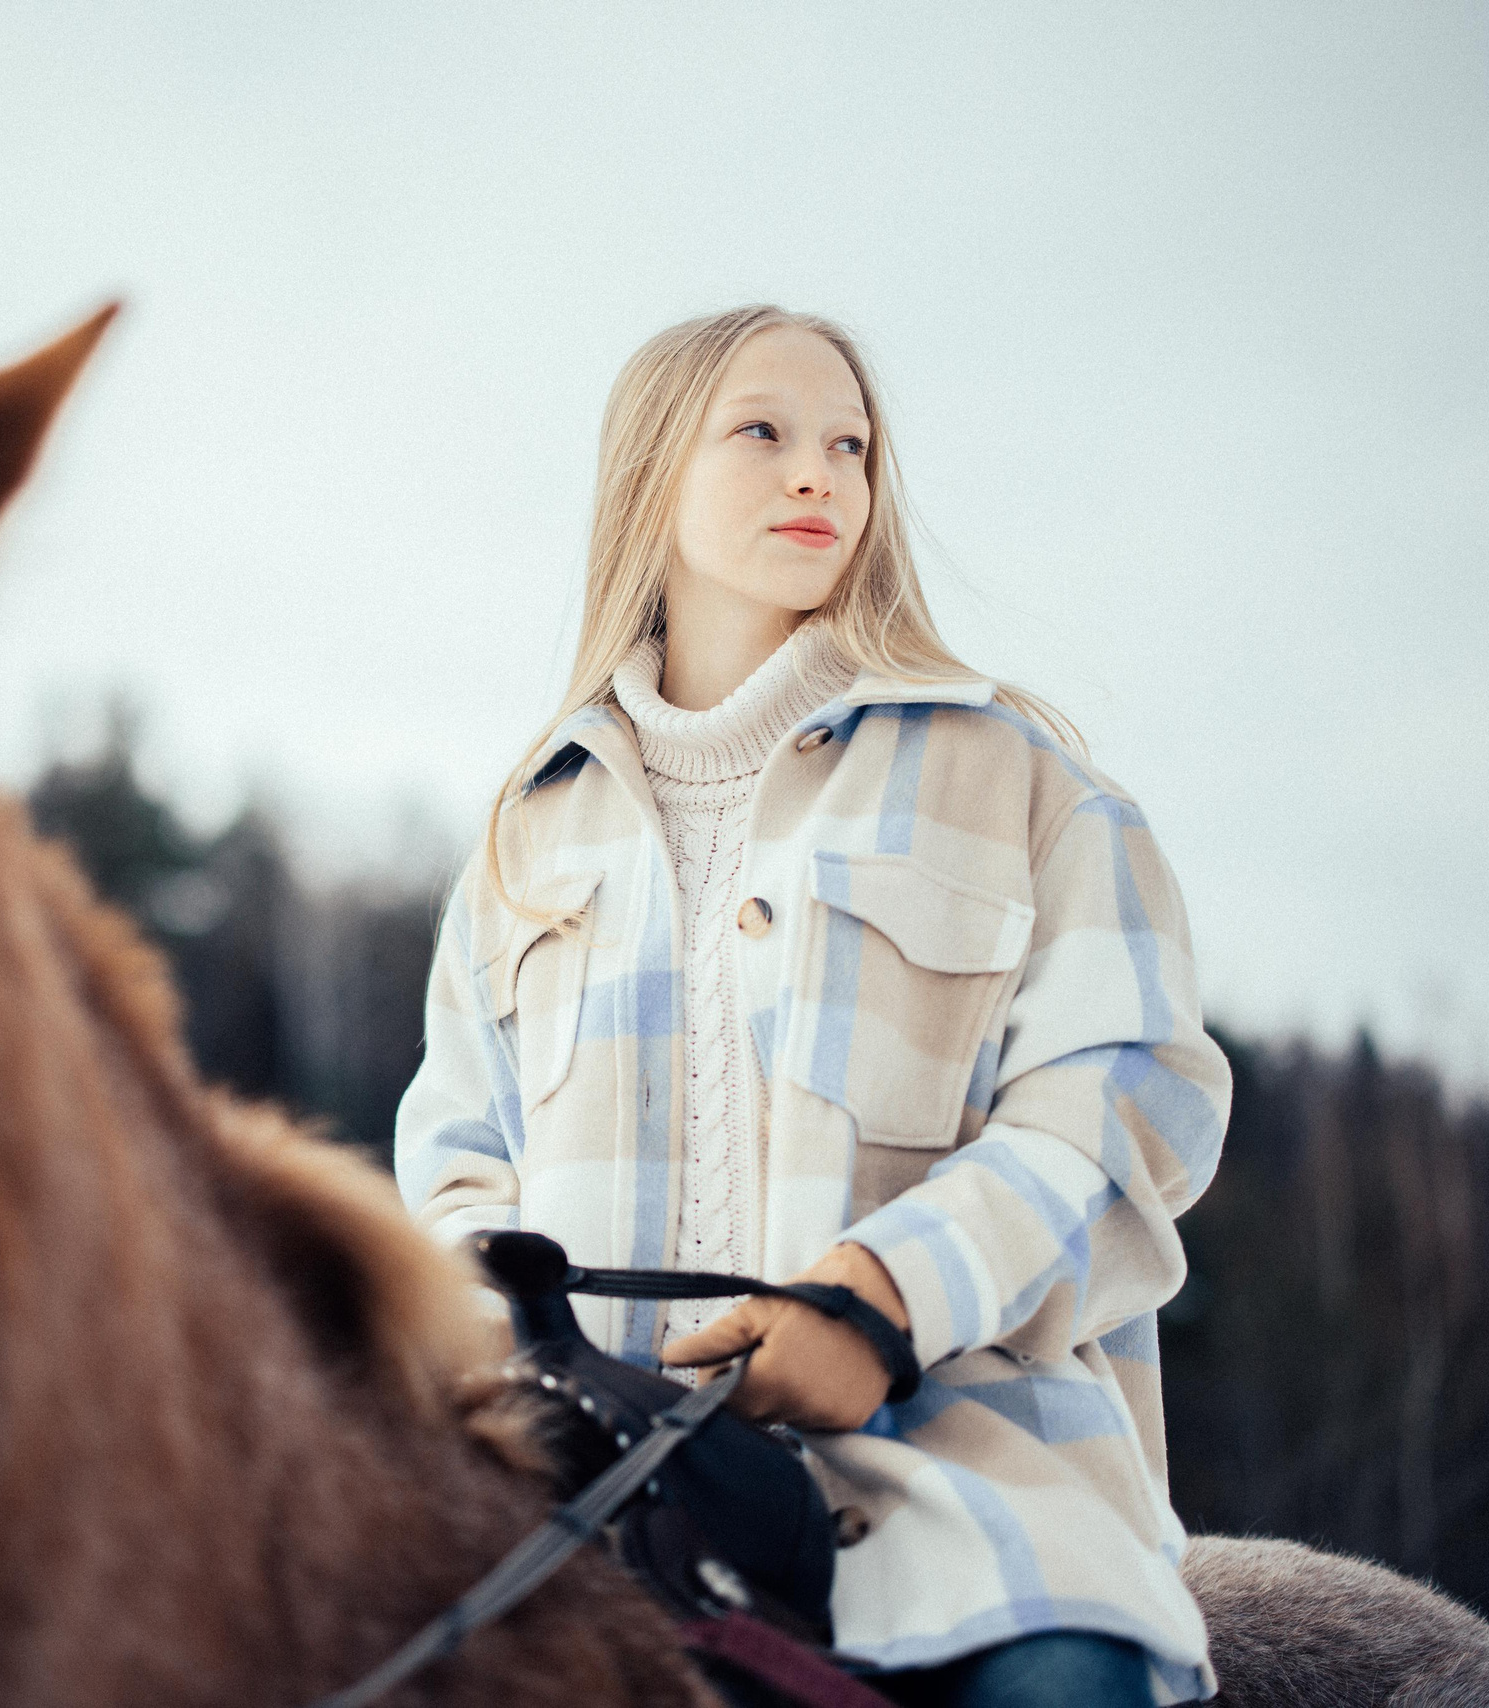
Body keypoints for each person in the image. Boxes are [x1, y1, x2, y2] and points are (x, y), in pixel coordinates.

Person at [394, 306, 1231, 1707]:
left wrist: (883, 1301)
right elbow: (455, 1161)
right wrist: (512, 1352)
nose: (819, 477)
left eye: (850, 445)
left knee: (1063, 1686)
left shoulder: (1023, 782)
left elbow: (1127, 1108)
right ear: (650, 476)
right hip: (600, 1500)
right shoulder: (524, 842)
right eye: (765, 434)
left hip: (969, 1491)